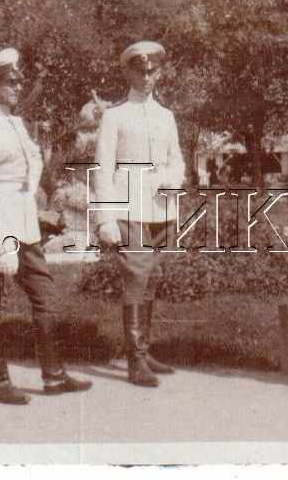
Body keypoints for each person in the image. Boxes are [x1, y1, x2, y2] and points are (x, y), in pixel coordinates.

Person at [0, 47, 92, 399]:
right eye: (10, 82)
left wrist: (32, 204)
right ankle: (0, 383)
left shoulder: (14, 125)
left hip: (23, 225)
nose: (17, 87)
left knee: (45, 296)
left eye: (19, 81)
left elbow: (29, 169)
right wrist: (1, 242)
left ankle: (53, 376)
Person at [94, 40, 185, 387]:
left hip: (161, 205)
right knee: (136, 276)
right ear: (128, 72)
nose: (148, 78)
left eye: (153, 71)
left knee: (152, 276)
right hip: (128, 203)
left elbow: (176, 158)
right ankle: (134, 360)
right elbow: (102, 168)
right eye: (141, 71)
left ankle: (144, 351)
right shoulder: (115, 115)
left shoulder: (166, 116)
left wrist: (171, 179)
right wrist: (105, 218)